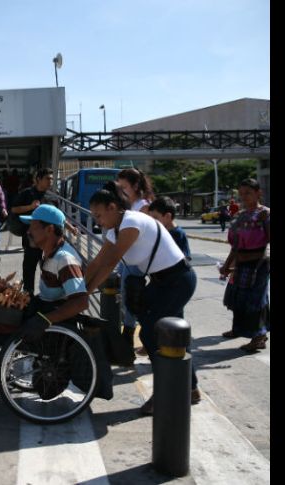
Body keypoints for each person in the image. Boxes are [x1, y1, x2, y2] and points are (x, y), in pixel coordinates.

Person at [84, 181, 200, 414]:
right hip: (160, 282)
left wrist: (85, 293)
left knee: (152, 332)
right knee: (171, 338)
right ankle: (191, 389)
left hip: (178, 280)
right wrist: (79, 288)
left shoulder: (131, 222)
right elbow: (97, 261)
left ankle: (166, 394)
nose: (97, 221)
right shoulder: (113, 230)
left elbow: (109, 263)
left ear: (112, 207)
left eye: (99, 215)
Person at [17, 205, 90, 340]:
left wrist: (45, 320)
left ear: (49, 229)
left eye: (33, 227)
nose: (28, 232)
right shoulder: (49, 253)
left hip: (55, 330)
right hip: (44, 309)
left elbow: (81, 302)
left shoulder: (64, 259)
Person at [219, 178, 270, 353]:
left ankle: (258, 337)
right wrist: (227, 266)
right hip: (241, 264)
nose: (244, 197)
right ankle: (240, 329)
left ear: (258, 193)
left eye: (248, 193)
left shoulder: (265, 214)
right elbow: (235, 245)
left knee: (256, 300)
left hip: (259, 264)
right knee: (238, 298)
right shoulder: (241, 215)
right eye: (241, 194)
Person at [115, 168, 156, 353]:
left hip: (138, 259)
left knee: (130, 295)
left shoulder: (143, 206)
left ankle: (129, 336)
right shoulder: (127, 205)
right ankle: (133, 334)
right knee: (125, 295)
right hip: (127, 258)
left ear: (136, 185)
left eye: (124, 187)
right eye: (119, 187)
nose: (121, 191)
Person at [11, 168, 54, 293]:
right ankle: (28, 295)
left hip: (49, 240)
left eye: (51, 179)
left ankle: (47, 295)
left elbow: (58, 215)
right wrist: (30, 207)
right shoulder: (27, 193)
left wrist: (70, 227)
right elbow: (14, 209)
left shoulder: (52, 195)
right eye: (47, 179)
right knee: (30, 267)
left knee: (49, 268)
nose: (50, 181)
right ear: (38, 180)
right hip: (32, 239)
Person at [148, 196, 191, 261]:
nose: (152, 221)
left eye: (155, 218)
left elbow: (185, 259)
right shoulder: (159, 231)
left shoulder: (178, 234)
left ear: (168, 216)